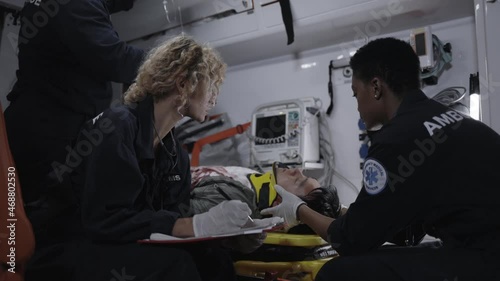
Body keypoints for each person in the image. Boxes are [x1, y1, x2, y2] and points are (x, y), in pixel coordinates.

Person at [260, 37, 500, 281]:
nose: (357, 106)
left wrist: (298, 210)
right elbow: (408, 233)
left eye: (355, 94)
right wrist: (343, 213)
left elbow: (348, 241)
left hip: (485, 260)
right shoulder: (454, 118)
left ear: (375, 87)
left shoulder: (395, 140)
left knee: (336, 273)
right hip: (483, 249)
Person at [66, 35, 278, 281]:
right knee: (175, 265)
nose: (214, 99)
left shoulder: (176, 153)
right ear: (182, 84)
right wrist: (193, 225)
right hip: (81, 243)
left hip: (129, 241)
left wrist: (232, 236)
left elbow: (174, 213)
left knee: (215, 259)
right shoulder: (117, 126)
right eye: (212, 87)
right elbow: (103, 220)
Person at [4, 0, 145, 252]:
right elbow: (114, 58)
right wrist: (168, 63)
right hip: (51, 138)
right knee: (56, 239)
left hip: (42, 127)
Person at [190, 162, 343, 234]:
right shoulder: (254, 182)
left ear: (281, 205)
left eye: (298, 181)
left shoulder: (238, 203)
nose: (297, 170)